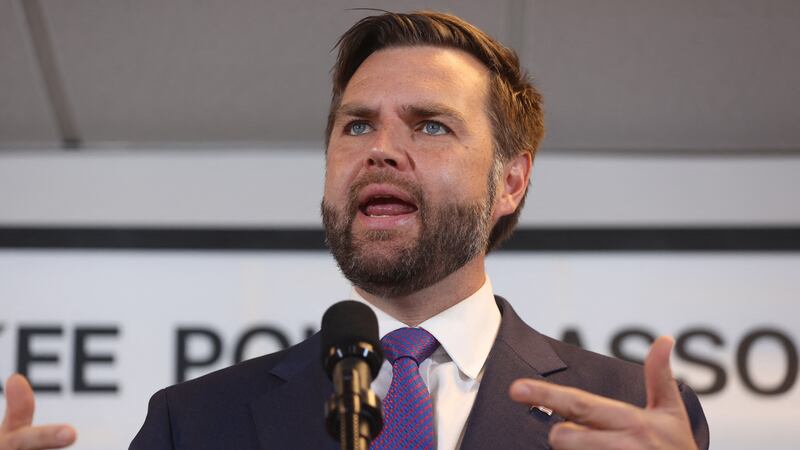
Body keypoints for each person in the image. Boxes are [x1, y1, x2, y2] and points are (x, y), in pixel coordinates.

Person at [1, 11, 708, 450]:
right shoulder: (195, 424)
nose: (380, 149)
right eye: (357, 124)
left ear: (512, 181)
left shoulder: (628, 417)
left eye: (430, 125)